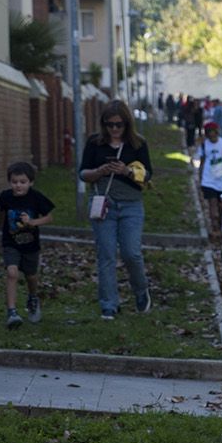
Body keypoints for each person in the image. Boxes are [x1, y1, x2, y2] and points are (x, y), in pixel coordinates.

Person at [79, 99, 152, 321]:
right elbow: (83, 173)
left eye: (118, 125)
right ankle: (109, 304)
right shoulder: (95, 143)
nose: (114, 129)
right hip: (104, 204)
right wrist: (100, 171)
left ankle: (141, 291)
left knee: (132, 253)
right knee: (106, 255)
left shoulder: (138, 144)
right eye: (109, 124)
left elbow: (148, 175)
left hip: (131, 204)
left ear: (127, 124)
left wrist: (126, 171)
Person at [0, 161, 55, 328]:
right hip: (11, 243)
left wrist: (32, 222)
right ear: (10, 182)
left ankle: (33, 297)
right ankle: (12, 312)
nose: (18, 186)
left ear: (31, 182)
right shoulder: (5, 197)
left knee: (31, 276)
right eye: (14, 182)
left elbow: (49, 217)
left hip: (30, 245)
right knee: (12, 273)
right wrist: (1, 231)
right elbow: (1, 213)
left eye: (23, 182)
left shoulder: (36, 198)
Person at [196, 119, 222, 237]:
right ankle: (215, 228)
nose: (211, 135)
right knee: (212, 205)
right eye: (209, 132)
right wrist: (200, 178)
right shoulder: (204, 145)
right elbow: (202, 163)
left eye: (213, 132)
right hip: (209, 180)